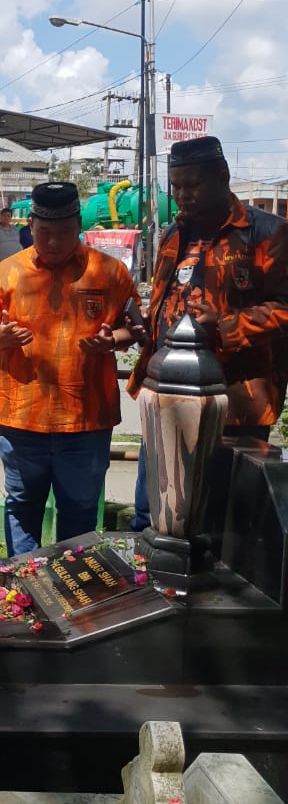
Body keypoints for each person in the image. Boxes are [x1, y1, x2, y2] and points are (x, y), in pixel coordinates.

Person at [128, 135, 288, 529]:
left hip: (234, 404)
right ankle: (152, 590)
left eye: (192, 184)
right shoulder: (172, 235)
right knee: (156, 513)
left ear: (222, 175)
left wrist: (228, 325)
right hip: (165, 399)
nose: (182, 194)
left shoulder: (266, 234)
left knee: (221, 522)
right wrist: (144, 328)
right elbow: (166, 302)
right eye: (176, 185)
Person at [0, 181, 141, 557]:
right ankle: (25, 588)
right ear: (31, 226)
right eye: (45, 233)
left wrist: (113, 340)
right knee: (21, 508)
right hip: (21, 420)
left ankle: (75, 595)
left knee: (81, 513)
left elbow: (135, 327)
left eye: (65, 233)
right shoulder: (6, 273)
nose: (54, 242)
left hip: (86, 422)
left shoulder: (110, 272)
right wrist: (0, 335)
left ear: (78, 228)